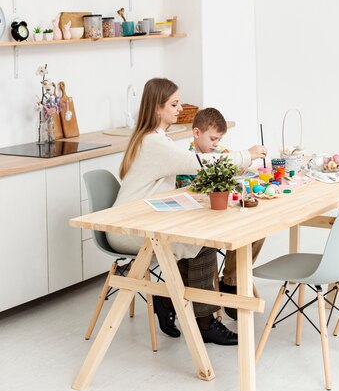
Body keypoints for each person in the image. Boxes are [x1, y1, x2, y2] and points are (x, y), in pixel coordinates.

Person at [106, 78, 267, 345]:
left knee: (196, 239)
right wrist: (246, 155)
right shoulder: (154, 143)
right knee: (199, 241)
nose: (180, 108)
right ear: (157, 108)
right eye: (174, 103)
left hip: (145, 217)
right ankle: (203, 321)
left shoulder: (156, 139)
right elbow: (200, 163)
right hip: (128, 227)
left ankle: (170, 301)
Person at [176, 107, 265, 320]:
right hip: (199, 219)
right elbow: (188, 190)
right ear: (197, 133)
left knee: (257, 230)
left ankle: (231, 282)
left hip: (220, 212)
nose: (216, 145)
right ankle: (226, 289)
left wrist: (245, 164)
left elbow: (236, 163)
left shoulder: (219, 153)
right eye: (213, 139)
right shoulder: (185, 159)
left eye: (218, 140)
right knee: (241, 231)